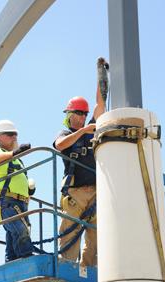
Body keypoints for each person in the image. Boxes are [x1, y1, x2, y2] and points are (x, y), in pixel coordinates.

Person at [53, 82, 106, 267]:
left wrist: (100, 77)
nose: (83, 117)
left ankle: (89, 273)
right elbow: (59, 145)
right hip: (75, 194)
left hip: (95, 194)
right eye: (79, 113)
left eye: (84, 113)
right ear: (69, 114)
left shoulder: (90, 130)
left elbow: (100, 106)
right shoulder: (66, 133)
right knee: (70, 235)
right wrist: (83, 131)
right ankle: (67, 272)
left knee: (95, 238)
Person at [0, 119, 36, 262]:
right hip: (6, 201)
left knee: (14, 233)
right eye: (10, 134)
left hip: (21, 202)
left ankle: (11, 261)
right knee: (21, 230)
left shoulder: (17, 159)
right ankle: (26, 259)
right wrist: (14, 152)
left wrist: (29, 191)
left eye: (15, 135)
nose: (14, 137)